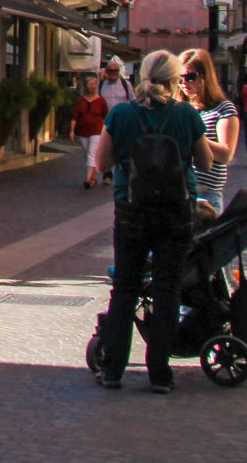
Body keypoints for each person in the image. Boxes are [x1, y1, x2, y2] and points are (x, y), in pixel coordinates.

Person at [91, 49, 213, 393]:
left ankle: (113, 370)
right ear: (176, 80)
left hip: (131, 209)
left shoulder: (122, 114)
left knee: (126, 288)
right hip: (176, 210)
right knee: (167, 288)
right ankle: (160, 373)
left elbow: (101, 164)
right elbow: (204, 162)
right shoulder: (187, 114)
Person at [178, 48, 239, 216]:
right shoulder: (180, 107)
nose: (184, 83)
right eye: (179, 78)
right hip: (178, 192)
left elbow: (225, 154)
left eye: (190, 77)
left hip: (205, 196)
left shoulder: (223, 108)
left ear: (205, 76)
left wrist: (192, 134)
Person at [70, 74, 109, 190]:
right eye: (90, 84)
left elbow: (106, 117)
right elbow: (75, 116)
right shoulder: (80, 101)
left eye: (95, 84)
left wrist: (106, 132)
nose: (93, 86)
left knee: (92, 153)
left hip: (97, 130)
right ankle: (93, 177)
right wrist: (72, 131)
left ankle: (87, 179)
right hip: (82, 131)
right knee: (87, 154)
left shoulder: (101, 101)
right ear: (86, 86)